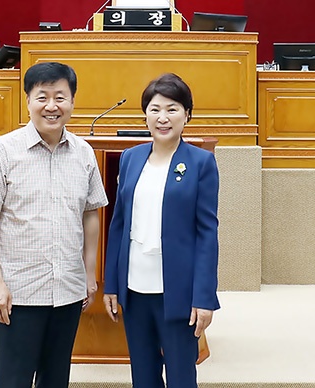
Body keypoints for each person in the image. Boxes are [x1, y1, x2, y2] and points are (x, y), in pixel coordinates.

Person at [0, 61, 108, 388]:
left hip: (68, 290)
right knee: (13, 381)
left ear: (72, 101)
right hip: (19, 293)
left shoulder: (84, 153)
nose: (51, 106)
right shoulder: (2, 151)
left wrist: (89, 275)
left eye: (60, 97)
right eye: (42, 97)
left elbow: (91, 213)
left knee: (56, 379)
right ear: (28, 101)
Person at [103, 73, 220, 388]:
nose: (162, 118)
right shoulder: (130, 158)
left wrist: (205, 296)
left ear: (187, 115)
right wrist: (111, 284)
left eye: (172, 109)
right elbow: (118, 224)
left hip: (178, 289)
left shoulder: (200, 163)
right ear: (145, 116)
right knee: (143, 374)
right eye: (155, 109)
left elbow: (207, 233)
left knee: (181, 376)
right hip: (135, 285)